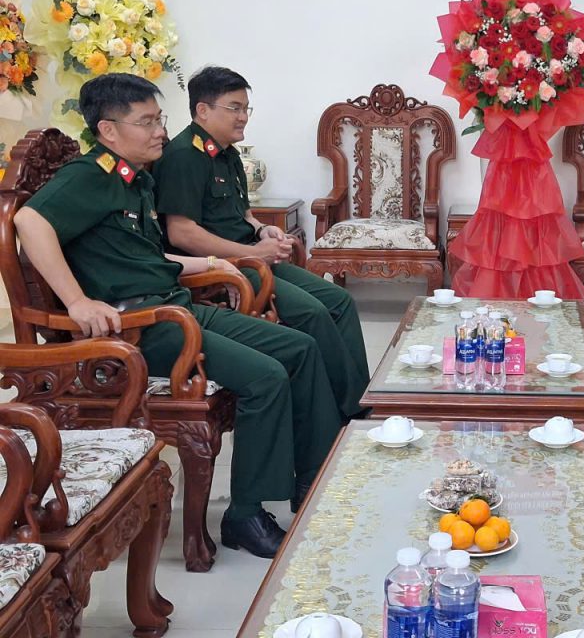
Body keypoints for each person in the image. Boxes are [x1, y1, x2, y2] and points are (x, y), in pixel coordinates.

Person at [14, 73, 342, 559]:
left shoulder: (134, 178)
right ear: (108, 130)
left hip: (174, 307)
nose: (160, 131)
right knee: (267, 376)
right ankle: (244, 515)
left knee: (300, 347)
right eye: (147, 122)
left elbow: (146, 259)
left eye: (159, 119)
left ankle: (312, 478)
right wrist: (78, 302)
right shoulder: (90, 175)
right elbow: (29, 221)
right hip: (140, 328)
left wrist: (212, 263)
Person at [152, 66, 370, 421]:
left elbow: (241, 214)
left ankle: (358, 402)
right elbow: (182, 233)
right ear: (203, 110)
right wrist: (253, 253)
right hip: (223, 269)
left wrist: (262, 231)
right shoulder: (183, 156)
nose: (243, 117)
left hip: (251, 258)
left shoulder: (227, 153)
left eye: (245, 108)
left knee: (340, 301)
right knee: (313, 313)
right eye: (234, 108)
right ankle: (339, 415)